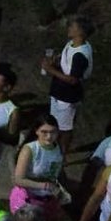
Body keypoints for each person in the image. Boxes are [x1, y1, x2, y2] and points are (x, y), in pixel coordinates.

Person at [41, 15, 94, 156]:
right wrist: (56, 61)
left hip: (67, 96)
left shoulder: (80, 55)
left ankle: (62, 154)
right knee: (54, 122)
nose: (69, 28)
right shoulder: (71, 43)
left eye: (73, 27)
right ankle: (53, 147)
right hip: (58, 91)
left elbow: (73, 80)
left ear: (81, 32)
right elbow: (66, 63)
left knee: (65, 128)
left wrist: (50, 70)